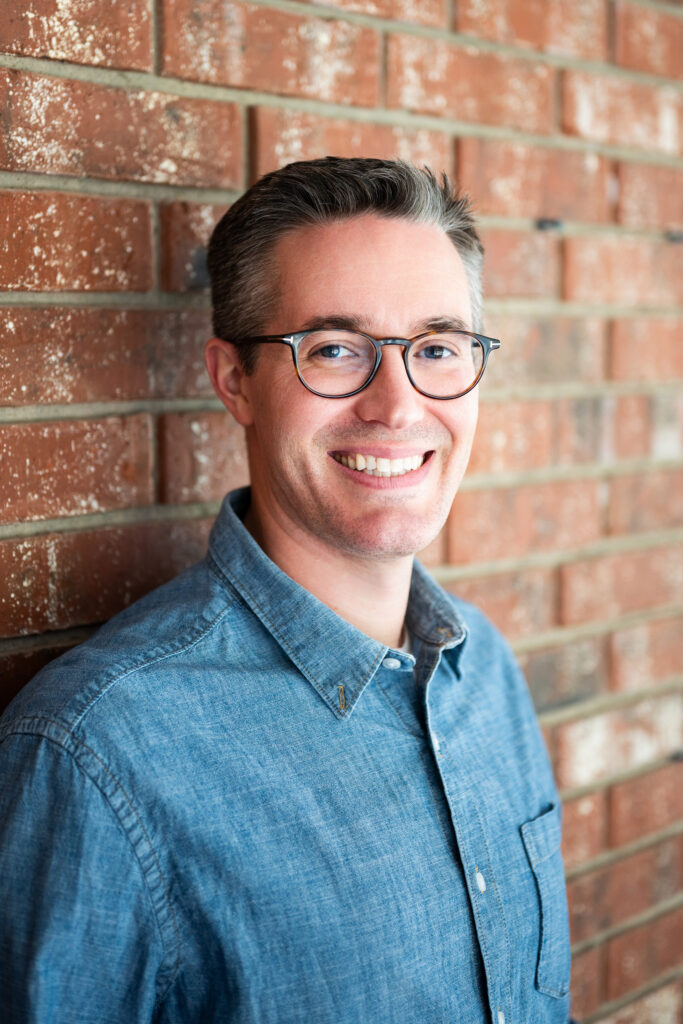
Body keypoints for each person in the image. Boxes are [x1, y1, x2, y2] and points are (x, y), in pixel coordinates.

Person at [0, 158, 573, 1023]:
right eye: (335, 350)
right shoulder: (97, 752)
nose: (397, 404)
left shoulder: (480, 668)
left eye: (437, 349)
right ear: (234, 380)